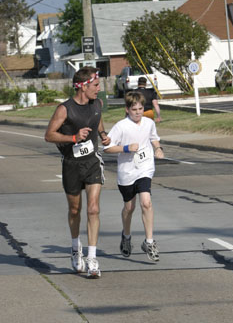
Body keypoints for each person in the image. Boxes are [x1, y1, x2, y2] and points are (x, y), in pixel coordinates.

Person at [45, 66, 110, 279]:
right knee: (75, 210)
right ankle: (76, 249)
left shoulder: (97, 104)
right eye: (95, 85)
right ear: (82, 87)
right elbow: (49, 135)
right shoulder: (65, 109)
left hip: (92, 162)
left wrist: (102, 134)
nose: (99, 89)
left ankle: (92, 258)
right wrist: (74, 138)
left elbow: (97, 117)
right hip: (71, 165)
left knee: (93, 209)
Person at [103, 91, 164, 262]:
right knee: (129, 208)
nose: (138, 112)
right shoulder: (121, 126)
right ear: (127, 109)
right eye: (134, 109)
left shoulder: (149, 123)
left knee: (146, 202)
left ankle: (149, 242)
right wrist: (126, 148)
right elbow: (107, 148)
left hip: (144, 168)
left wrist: (158, 148)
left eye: (140, 108)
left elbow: (154, 138)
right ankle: (126, 236)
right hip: (126, 171)